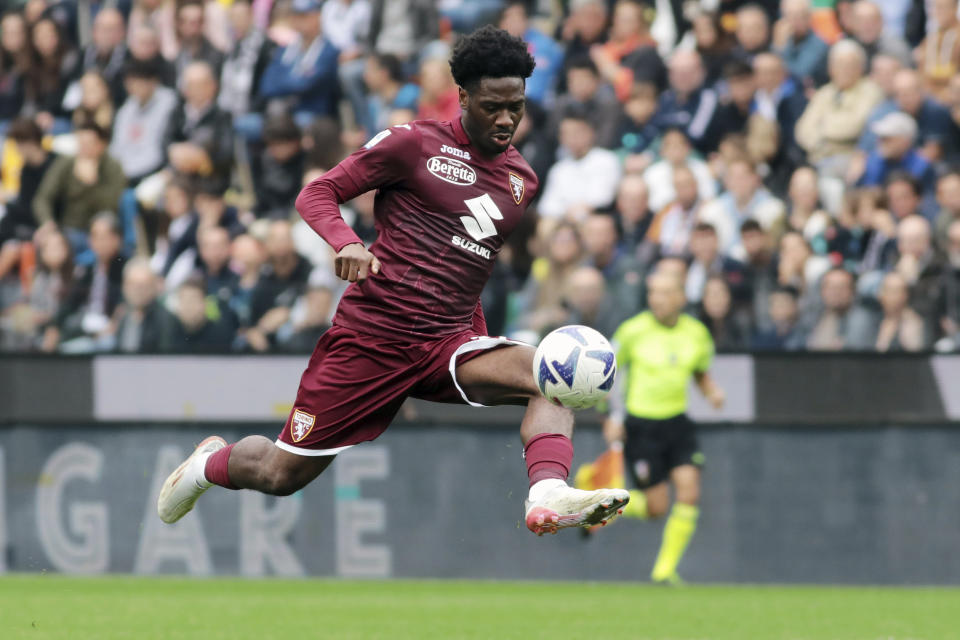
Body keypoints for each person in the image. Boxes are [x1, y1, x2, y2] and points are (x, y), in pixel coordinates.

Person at [157, 26, 630, 534]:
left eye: (515, 105)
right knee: (280, 473)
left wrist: (479, 339)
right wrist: (347, 242)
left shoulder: (522, 181)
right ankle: (208, 464)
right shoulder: (413, 143)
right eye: (493, 105)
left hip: (446, 342)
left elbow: (470, 268)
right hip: (373, 340)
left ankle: (549, 494)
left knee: (551, 378)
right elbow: (318, 193)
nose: (506, 118)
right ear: (464, 97)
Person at [603, 267, 725, 585]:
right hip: (642, 426)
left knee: (689, 491)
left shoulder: (696, 332)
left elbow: (699, 371)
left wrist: (711, 392)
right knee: (657, 507)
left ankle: (665, 570)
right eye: (652, 292)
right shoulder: (632, 331)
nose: (656, 298)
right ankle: (600, 501)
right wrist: (610, 418)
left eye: (664, 292)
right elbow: (604, 375)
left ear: (681, 297)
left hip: (677, 423)